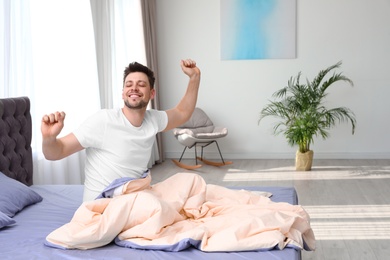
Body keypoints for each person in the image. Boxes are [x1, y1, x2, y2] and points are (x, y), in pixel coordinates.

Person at [41, 59, 201, 201]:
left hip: (133, 198)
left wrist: (194, 78)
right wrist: (49, 139)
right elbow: (56, 152)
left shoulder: (153, 119)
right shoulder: (103, 121)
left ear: (152, 93)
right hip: (103, 206)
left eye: (141, 84)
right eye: (129, 84)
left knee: (193, 183)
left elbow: (182, 112)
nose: (134, 88)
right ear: (123, 93)